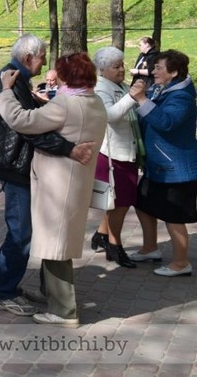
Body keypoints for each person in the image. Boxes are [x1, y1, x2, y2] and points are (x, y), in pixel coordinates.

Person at [0, 34, 91, 318]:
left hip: (12, 163)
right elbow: (26, 128)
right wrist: (69, 149)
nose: (44, 63)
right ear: (30, 57)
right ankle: (3, 292)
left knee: (20, 230)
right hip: (14, 165)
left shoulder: (15, 79)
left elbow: (28, 121)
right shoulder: (11, 80)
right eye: (42, 57)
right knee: (22, 234)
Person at [127, 49, 197, 276]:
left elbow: (166, 122)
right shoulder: (161, 89)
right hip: (157, 165)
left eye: (158, 67)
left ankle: (181, 262)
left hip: (176, 168)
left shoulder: (182, 97)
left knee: (174, 215)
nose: (152, 71)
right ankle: (150, 248)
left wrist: (141, 99)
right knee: (143, 202)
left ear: (174, 72)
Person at [90, 46, 142, 268]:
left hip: (126, 151)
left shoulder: (119, 84)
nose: (122, 69)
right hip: (113, 155)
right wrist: (132, 97)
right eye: (116, 66)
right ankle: (115, 246)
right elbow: (110, 116)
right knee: (119, 204)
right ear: (102, 70)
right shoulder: (101, 88)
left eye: (122, 64)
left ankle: (102, 234)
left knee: (118, 201)